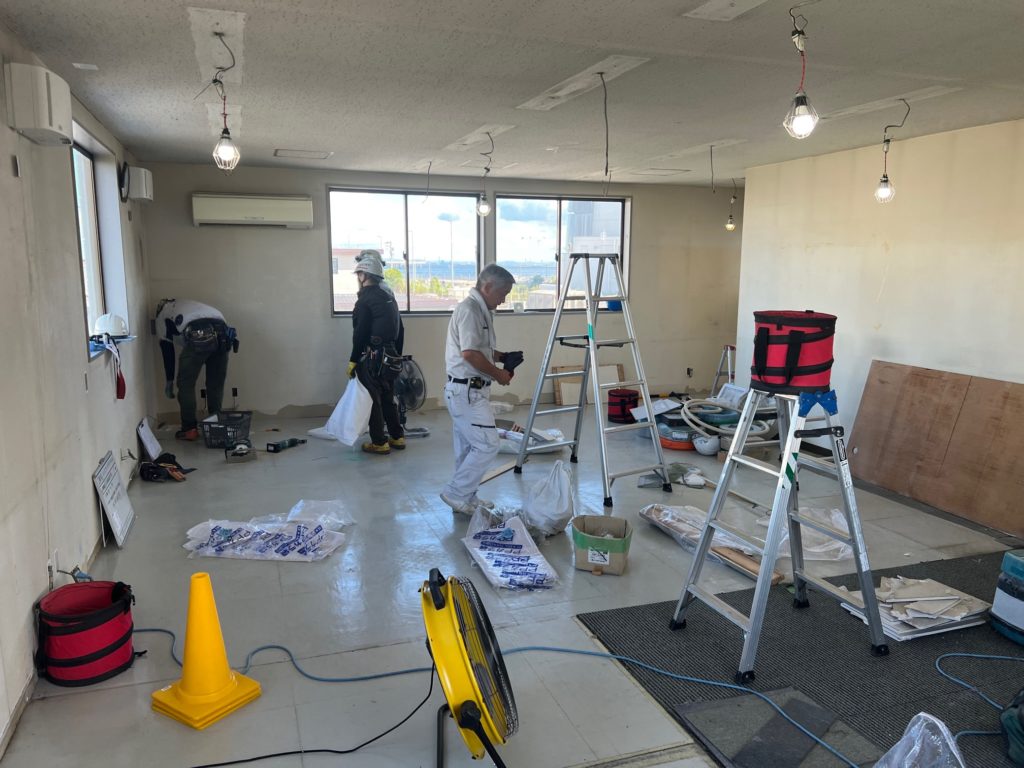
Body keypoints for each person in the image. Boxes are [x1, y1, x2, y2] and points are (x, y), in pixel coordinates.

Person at [440, 265, 521, 514]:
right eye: (502, 293)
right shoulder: (470, 310)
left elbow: (479, 348)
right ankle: (455, 493)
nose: (503, 300)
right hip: (467, 393)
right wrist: (498, 374)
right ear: (487, 287)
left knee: (468, 448)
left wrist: (503, 356)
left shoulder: (480, 310)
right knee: (488, 445)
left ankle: (466, 497)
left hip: (467, 391)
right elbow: (470, 354)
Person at [348, 250, 406, 455]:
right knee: (388, 397)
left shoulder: (364, 301)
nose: (358, 278)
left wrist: (353, 360)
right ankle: (397, 436)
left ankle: (380, 442)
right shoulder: (388, 297)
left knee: (373, 399)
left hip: (374, 358)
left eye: (359, 274)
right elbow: (401, 328)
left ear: (364, 275)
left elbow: (360, 333)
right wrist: (397, 354)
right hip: (390, 356)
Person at [156, 299, 238, 440]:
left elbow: (167, 351)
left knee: (186, 385)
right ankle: (216, 426)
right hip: (223, 334)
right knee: (215, 385)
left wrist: (169, 381)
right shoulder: (187, 305)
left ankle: (190, 430)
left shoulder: (162, 316)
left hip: (198, 333)